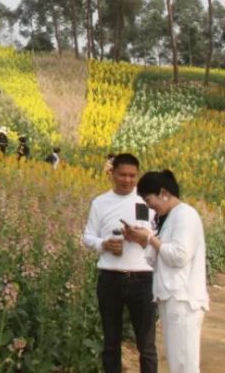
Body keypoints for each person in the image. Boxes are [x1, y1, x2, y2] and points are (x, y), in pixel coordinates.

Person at [123, 170, 207, 373]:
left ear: (163, 193)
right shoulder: (170, 218)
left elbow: (179, 256)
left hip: (183, 300)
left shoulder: (185, 215)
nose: (149, 206)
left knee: (184, 364)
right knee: (177, 362)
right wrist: (142, 239)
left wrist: (150, 238)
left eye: (149, 200)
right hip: (171, 298)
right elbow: (160, 258)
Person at [82, 153, 157, 373]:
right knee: (111, 343)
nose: (127, 180)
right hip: (110, 278)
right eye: (122, 175)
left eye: (132, 176)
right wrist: (104, 244)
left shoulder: (144, 202)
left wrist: (140, 235)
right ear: (112, 174)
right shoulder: (100, 202)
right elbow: (87, 236)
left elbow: (155, 234)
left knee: (147, 345)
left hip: (142, 279)